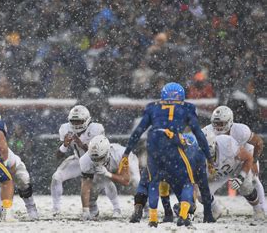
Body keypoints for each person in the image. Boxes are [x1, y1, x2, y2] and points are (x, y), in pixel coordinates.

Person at [123, 83, 213, 227]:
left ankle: (151, 214)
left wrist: (126, 152)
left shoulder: (153, 107)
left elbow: (138, 131)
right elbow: (199, 135)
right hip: (176, 152)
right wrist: (209, 157)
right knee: (187, 184)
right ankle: (187, 213)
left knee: (149, 181)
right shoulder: (186, 109)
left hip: (155, 148)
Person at [130, 133, 215, 224]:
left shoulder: (183, 138)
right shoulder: (199, 154)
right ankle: (183, 214)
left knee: (146, 182)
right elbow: (203, 186)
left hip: (159, 155)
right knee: (187, 190)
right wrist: (207, 213)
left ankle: (141, 207)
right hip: (178, 165)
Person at [203, 106, 265, 214]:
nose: (217, 127)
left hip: (241, 161)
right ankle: (216, 210)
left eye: (221, 123)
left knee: (250, 183)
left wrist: (254, 161)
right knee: (202, 192)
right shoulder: (207, 132)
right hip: (221, 164)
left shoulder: (241, 130)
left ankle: (260, 209)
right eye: (215, 123)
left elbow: (258, 142)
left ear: (229, 122)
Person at [51, 105, 105, 216]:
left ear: (87, 120)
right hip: (78, 160)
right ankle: (56, 209)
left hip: (94, 163)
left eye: (79, 121)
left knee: (92, 191)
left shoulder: (96, 129)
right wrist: (65, 145)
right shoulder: (65, 129)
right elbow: (57, 156)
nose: (75, 124)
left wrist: (82, 144)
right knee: (56, 177)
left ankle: (95, 207)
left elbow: (100, 152)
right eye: (73, 121)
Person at [79, 135, 140, 220]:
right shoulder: (85, 160)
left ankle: (144, 206)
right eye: (94, 158)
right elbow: (85, 186)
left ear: (108, 152)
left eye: (100, 158)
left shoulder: (121, 154)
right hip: (107, 168)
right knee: (94, 183)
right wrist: (85, 210)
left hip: (122, 163)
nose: (97, 161)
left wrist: (107, 173)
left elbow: (126, 180)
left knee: (136, 181)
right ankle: (95, 209)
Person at [0, 147, 38, 220]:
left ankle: (31, 207)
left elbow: (10, 174)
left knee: (23, 181)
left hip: (15, 168)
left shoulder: (4, 152)